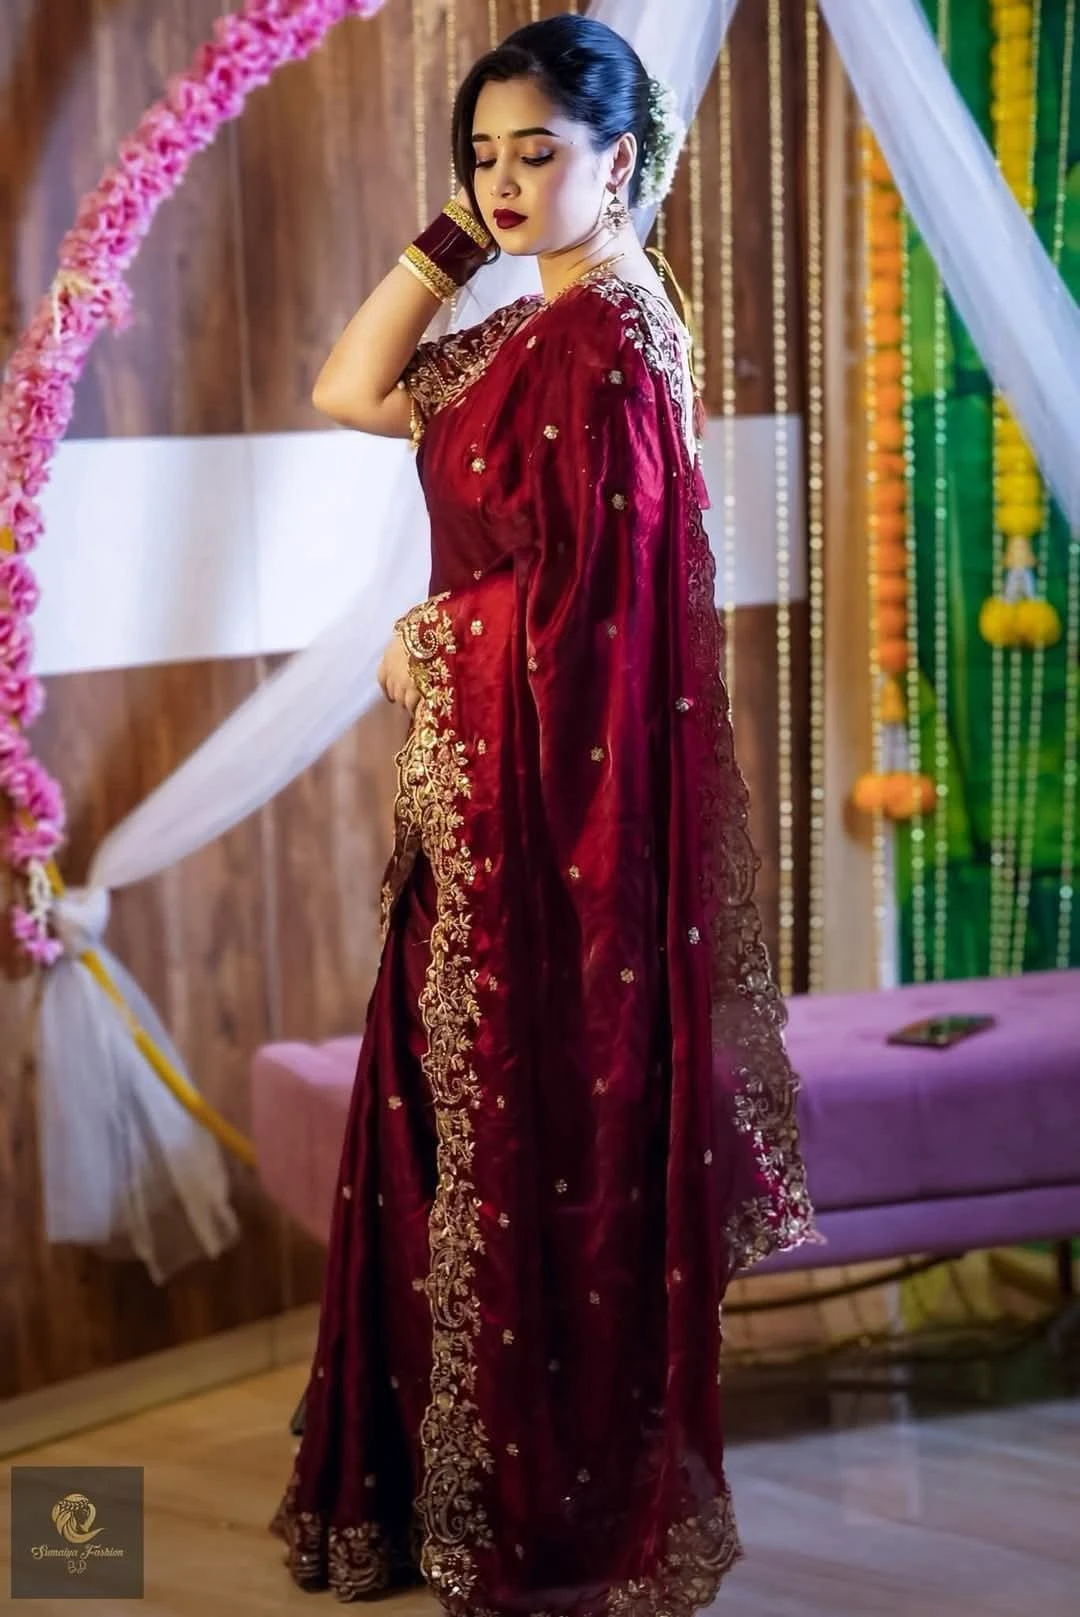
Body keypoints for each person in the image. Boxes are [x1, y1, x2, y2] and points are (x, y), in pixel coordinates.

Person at [270, 15, 815, 1614]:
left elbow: (599, 617)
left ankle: (538, 1516)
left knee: (531, 1147)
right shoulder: (539, 327)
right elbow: (348, 387)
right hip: (492, 811)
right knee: (456, 1135)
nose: (504, 184)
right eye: (483, 157)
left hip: (548, 831)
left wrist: (429, 642)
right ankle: (451, 1497)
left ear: (620, 158)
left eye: (539, 154)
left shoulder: (612, 341)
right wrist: (457, 233)